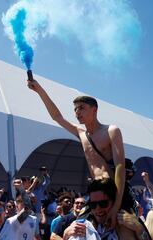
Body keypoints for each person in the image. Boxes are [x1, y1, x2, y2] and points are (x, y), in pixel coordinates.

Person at [28, 79, 126, 228]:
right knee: (77, 229)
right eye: (75, 109)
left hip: (114, 193)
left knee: (130, 230)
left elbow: (120, 167)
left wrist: (117, 205)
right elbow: (57, 117)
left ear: (94, 110)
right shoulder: (81, 133)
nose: (77, 112)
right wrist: (40, 91)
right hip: (95, 194)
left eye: (81, 108)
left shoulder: (111, 131)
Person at [63, 178, 150, 240]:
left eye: (103, 204)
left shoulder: (129, 223)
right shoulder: (83, 224)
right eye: (93, 205)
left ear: (114, 203)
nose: (98, 209)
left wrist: (138, 228)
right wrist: (66, 235)